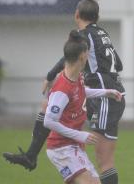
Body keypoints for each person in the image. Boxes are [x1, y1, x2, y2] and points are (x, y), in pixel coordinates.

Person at [4, 0, 130, 184]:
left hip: (104, 97)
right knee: (49, 105)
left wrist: (50, 74)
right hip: (106, 88)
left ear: (77, 15)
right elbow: (117, 63)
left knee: (105, 160)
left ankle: (39, 155)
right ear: (97, 17)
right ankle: (31, 155)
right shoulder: (102, 32)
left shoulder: (83, 35)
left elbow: (69, 56)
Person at [44, 30, 123, 184]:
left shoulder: (76, 76)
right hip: (61, 148)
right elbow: (48, 121)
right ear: (82, 56)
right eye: (88, 52)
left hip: (73, 146)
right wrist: (80, 135)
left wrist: (106, 92)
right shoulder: (62, 88)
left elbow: (81, 91)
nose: (88, 56)